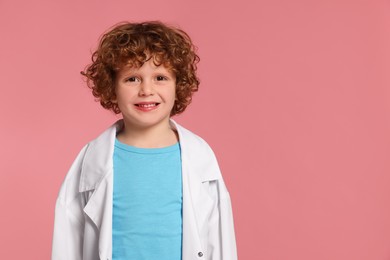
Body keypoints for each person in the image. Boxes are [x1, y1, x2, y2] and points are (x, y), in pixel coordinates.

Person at [52, 21, 237, 260]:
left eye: (160, 77)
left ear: (178, 85)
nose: (146, 90)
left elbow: (220, 240)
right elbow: (67, 242)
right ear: (112, 87)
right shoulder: (91, 159)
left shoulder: (200, 157)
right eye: (132, 79)